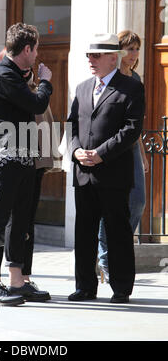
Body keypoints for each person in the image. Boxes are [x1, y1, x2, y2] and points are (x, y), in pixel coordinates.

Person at [68, 33, 145, 304]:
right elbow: (72, 126)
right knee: (84, 232)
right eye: (89, 55)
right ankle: (85, 287)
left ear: (114, 58)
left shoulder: (131, 88)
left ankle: (121, 288)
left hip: (113, 173)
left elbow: (131, 129)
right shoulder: (82, 87)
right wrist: (76, 150)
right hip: (84, 173)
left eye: (97, 55)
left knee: (117, 231)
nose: (91, 60)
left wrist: (100, 154)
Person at [0, 23, 53, 306]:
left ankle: (17, 280)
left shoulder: (14, 74)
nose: (37, 55)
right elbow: (36, 104)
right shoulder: (3, 75)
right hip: (4, 159)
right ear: (26, 49)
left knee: (20, 220)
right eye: (35, 49)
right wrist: (45, 81)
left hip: (22, 158)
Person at [98, 30, 148, 283]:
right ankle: (106, 258)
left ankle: (119, 247)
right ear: (119, 52)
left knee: (138, 200)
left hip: (130, 148)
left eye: (137, 48)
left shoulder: (136, 80)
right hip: (110, 148)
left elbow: (135, 123)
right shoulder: (111, 79)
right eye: (129, 48)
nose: (134, 53)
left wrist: (142, 154)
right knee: (110, 204)